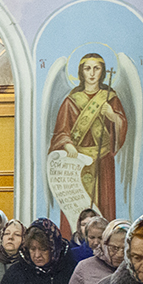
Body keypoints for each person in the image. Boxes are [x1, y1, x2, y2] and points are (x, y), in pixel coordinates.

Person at [51, 51, 128, 222]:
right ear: (81, 72)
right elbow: (61, 131)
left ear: (103, 71)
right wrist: (68, 145)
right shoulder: (71, 101)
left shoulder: (110, 98)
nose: (92, 73)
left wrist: (113, 116)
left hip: (102, 161)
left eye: (96, 68)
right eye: (87, 69)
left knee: (103, 207)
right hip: (77, 162)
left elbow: (122, 126)